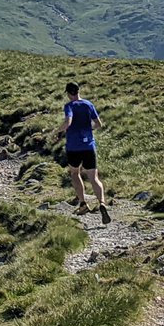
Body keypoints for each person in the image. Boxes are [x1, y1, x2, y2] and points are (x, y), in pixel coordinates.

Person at [58, 81, 110, 224]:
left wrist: (57, 131)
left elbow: (68, 122)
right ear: (78, 91)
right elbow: (99, 124)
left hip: (74, 147)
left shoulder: (69, 106)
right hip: (89, 146)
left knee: (75, 173)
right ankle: (102, 203)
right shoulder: (88, 104)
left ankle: (82, 203)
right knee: (94, 177)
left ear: (68, 93)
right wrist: (88, 130)